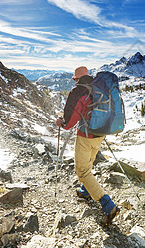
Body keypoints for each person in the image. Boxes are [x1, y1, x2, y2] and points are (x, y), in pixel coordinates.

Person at [55, 66, 120, 226]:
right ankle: (86, 191)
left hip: (86, 135)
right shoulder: (98, 87)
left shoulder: (77, 91)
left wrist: (60, 123)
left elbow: (69, 122)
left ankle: (107, 204)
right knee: (88, 162)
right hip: (100, 133)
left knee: (82, 171)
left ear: (77, 79)